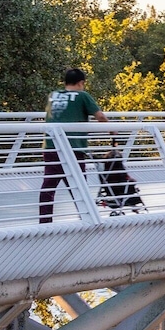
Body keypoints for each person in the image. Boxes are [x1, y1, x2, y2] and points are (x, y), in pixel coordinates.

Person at [38, 68, 109, 223]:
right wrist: (113, 131)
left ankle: (44, 222)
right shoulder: (82, 96)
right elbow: (100, 116)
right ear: (81, 83)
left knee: (49, 185)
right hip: (73, 148)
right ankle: (86, 219)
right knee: (78, 187)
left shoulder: (53, 95)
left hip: (51, 146)